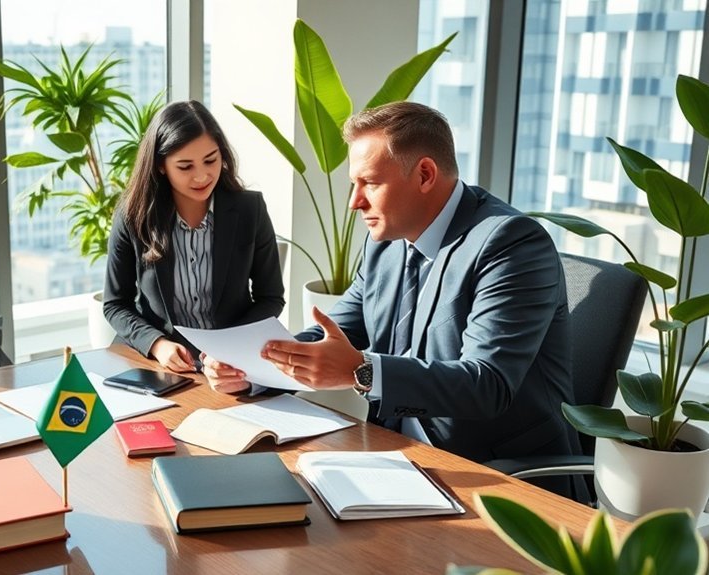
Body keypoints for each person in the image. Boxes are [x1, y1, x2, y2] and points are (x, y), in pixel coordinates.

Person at [204, 102, 583, 489]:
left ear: (424, 174)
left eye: (370, 182)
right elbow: (337, 333)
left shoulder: (510, 243)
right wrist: (252, 368)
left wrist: (359, 371)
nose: (355, 202)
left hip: (496, 477)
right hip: (397, 456)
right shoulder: (386, 244)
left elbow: (487, 385)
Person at [104, 100, 285, 373]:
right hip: (157, 361)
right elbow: (116, 304)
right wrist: (157, 343)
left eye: (211, 160)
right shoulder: (133, 215)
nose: (202, 175)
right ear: (161, 166)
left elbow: (271, 298)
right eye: (185, 166)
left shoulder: (251, 210)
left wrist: (229, 347)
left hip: (231, 362)